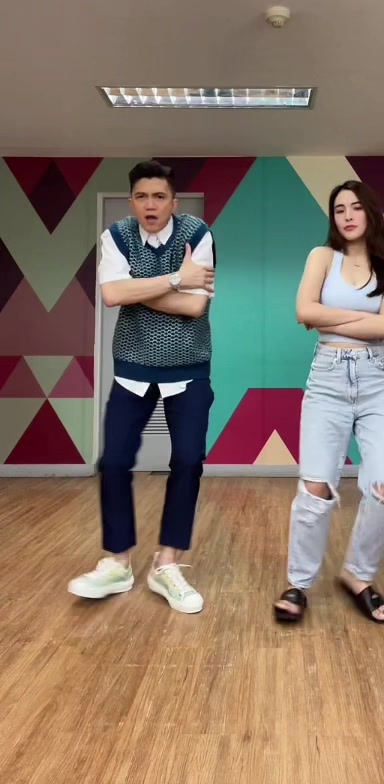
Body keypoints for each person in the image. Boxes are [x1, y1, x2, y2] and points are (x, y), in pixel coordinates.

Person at [68, 160, 216, 614]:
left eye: (159, 197)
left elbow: (194, 308)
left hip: (189, 368)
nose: (150, 205)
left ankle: (166, 565)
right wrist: (176, 279)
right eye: (141, 197)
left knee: (188, 461)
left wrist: (137, 287)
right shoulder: (116, 236)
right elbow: (112, 296)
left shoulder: (198, 234)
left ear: (173, 202)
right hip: (131, 368)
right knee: (114, 462)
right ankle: (118, 563)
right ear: (132, 202)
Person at [274, 180, 384, 625]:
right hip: (328, 380)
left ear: (371, 212)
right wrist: (365, 317)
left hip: (377, 383)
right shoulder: (321, 257)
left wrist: (331, 317)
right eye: (339, 209)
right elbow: (304, 311)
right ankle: (298, 583)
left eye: (355, 207)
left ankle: (358, 575)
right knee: (315, 487)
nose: (347, 215)